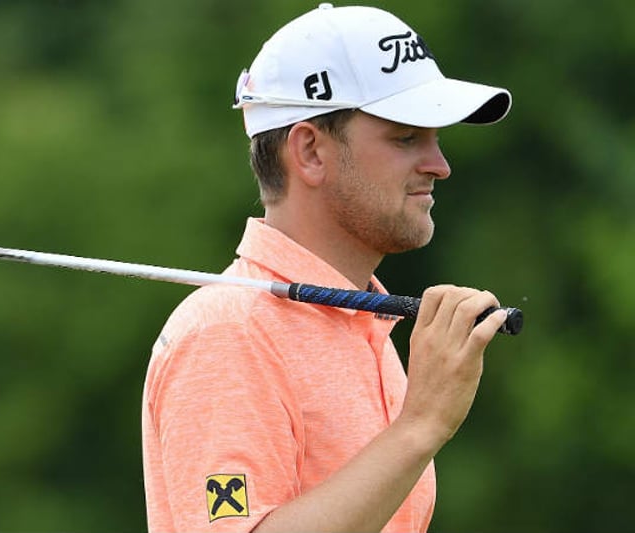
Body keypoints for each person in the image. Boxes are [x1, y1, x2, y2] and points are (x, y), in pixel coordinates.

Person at [140, 4, 513, 532]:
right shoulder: (229, 333)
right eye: (406, 138)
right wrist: (419, 426)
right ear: (310, 150)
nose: (440, 165)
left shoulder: (364, 326)